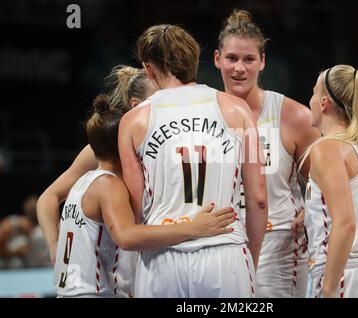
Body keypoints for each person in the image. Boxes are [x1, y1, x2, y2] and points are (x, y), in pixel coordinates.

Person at [119, 24, 268, 298]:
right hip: (225, 253)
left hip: (162, 259)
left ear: (148, 68)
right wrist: (249, 256)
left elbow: (134, 211)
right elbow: (258, 198)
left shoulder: (133, 120)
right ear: (194, 60)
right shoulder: (237, 110)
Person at [52, 94, 235, 298]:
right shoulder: (108, 185)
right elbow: (126, 237)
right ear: (122, 145)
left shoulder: (82, 183)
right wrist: (193, 228)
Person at [214, 9, 320, 297]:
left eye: (249, 59)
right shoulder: (203, 114)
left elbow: (326, 181)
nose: (239, 68)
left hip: (279, 244)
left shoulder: (294, 116)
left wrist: (309, 211)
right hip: (220, 242)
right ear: (217, 59)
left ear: (262, 62)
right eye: (232, 58)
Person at [37, 65, 154, 263]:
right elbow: (48, 197)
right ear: (136, 105)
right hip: (118, 266)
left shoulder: (172, 145)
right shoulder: (104, 150)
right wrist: (54, 245)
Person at [300, 64, 358, 298]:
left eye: (313, 92)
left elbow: (346, 223)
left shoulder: (326, 148)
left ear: (323, 103)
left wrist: (329, 288)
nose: (309, 99)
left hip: (342, 276)